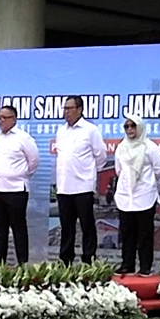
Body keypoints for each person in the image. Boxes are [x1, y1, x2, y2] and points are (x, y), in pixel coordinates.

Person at [52, 95, 107, 265]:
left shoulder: (90, 130)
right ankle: (65, 261)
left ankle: (89, 261)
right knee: (66, 227)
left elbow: (101, 156)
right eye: (65, 109)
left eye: (70, 108)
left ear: (80, 110)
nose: (66, 112)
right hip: (64, 187)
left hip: (83, 187)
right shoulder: (61, 131)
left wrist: (87, 173)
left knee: (87, 226)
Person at [112, 113, 160, 275]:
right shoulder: (121, 147)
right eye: (126, 126)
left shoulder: (149, 147)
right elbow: (119, 170)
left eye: (133, 126)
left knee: (145, 235)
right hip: (125, 197)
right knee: (127, 234)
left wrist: (147, 180)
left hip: (144, 195)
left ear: (140, 127)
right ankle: (127, 265)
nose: (130, 129)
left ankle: (145, 267)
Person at [0, 105, 39, 266]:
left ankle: (22, 263)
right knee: (0, 228)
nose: (0, 121)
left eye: (4, 117)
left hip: (16, 190)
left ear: (14, 119)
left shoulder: (23, 138)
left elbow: (34, 161)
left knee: (18, 228)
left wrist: (20, 175)